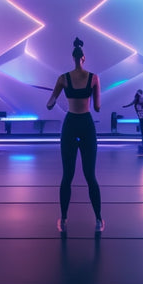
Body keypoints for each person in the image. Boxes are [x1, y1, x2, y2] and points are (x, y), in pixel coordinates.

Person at [47, 37, 104, 233]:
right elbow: (97, 107)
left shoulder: (63, 78)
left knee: (67, 176)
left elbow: (51, 100)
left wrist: (53, 101)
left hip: (71, 125)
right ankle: (98, 219)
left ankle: (63, 219)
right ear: (84, 58)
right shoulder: (94, 78)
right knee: (90, 175)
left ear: (73, 57)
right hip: (86, 124)